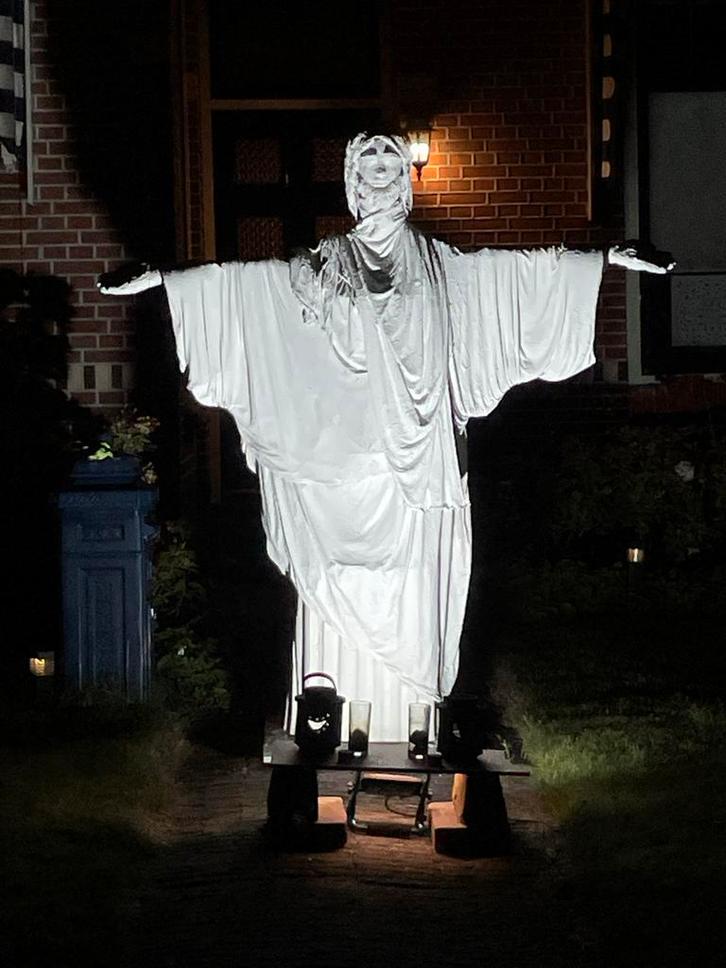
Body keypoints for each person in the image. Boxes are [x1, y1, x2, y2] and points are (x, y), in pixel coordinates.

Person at [99, 133, 672, 741]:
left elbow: (511, 275)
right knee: (338, 598)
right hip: (340, 474)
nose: (378, 171)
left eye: (389, 161)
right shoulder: (320, 267)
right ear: (351, 179)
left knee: (411, 587)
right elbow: (251, 287)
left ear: (405, 178)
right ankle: (332, 727)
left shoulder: (442, 267)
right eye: (367, 161)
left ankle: (411, 727)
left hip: (415, 472)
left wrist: (605, 260)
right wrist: (166, 281)